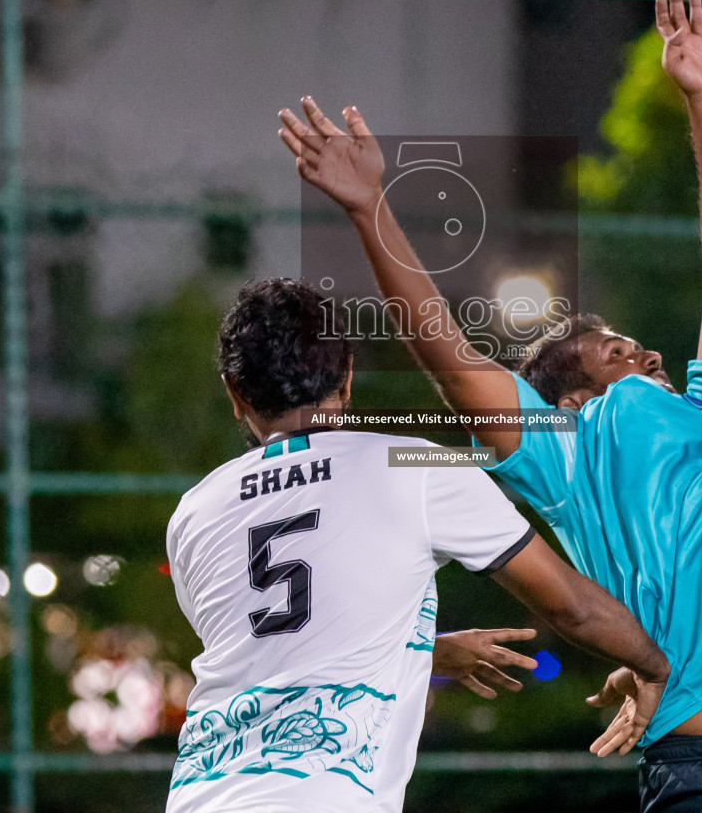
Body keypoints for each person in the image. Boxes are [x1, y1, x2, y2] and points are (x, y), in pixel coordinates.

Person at [276, 0, 702, 812]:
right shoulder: (566, 450)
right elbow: (451, 352)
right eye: (615, 352)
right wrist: (370, 209)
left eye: (640, 347)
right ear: (570, 398)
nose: (645, 351)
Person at [164, 277, 669, 813]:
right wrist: (656, 666)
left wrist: (423, 651)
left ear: (235, 392)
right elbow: (571, 607)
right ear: (347, 375)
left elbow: (282, 645)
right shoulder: (415, 462)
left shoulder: (194, 511)